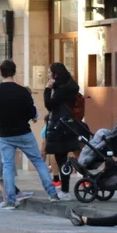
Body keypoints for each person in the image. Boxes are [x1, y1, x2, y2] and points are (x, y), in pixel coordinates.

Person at [0, 59, 62, 207]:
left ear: (1, 73)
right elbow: (31, 112)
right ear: (14, 72)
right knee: (38, 162)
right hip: (23, 132)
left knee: (7, 166)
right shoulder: (22, 91)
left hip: (5, 134)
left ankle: (10, 200)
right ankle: (52, 193)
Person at [44, 62, 82, 200]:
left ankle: (65, 191)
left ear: (56, 75)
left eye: (50, 72)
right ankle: (65, 189)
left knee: (61, 160)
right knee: (63, 159)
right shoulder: (70, 86)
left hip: (60, 127)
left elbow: (49, 105)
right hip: (68, 125)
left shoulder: (62, 90)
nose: (48, 75)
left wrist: (47, 89)